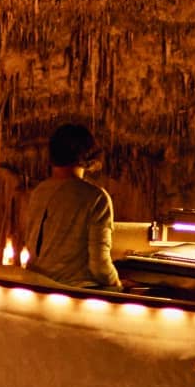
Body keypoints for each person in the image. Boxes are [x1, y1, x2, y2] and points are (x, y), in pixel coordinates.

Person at [19, 123, 123, 290]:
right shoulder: (95, 198)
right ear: (88, 155)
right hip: (74, 290)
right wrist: (117, 285)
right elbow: (100, 265)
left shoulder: (39, 192)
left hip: (36, 284)